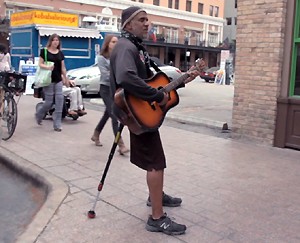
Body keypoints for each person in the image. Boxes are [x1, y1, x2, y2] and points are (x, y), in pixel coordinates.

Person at [110, 6, 203, 235]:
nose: (146, 24)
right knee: (156, 163)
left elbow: (154, 81)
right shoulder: (125, 46)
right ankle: (157, 218)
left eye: (147, 20)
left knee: (153, 160)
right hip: (137, 113)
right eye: (141, 20)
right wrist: (156, 96)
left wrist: (182, 80)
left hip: (141, 112)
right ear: (127, 25)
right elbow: (126, 77)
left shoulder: (135, 47)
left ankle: (156, 197)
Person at [91, 35, 129, 155]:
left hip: (115, 89)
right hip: (105, 89)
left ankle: (96, 133)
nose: (115, 44)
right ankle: (120, 144)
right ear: (107, 44)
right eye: (113, 42)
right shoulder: (102, 58)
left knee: (108, 113)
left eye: (116, 42)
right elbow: (105, 74)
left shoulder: (118, 57)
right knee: (114, 115)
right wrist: (118, 75)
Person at [35, 33, 68, 132]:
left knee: (59, 100)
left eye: (57, 40)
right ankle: (39, 114)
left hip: (58, 79)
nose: (55, 42)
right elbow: (40, 64)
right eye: (54, 40)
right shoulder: (44, 52)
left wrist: (65, 78)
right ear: (50, 41)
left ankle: (57, 124)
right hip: (48, 80)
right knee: (48, 102)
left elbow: (63, 67)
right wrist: (47, 67)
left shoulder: (60, 53)